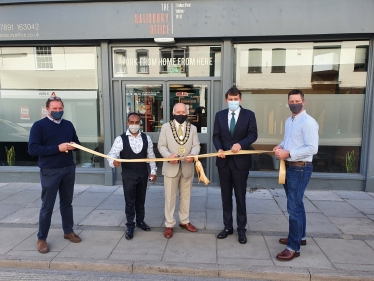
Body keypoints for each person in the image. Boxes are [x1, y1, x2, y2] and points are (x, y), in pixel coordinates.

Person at [28, 95, 81, 254]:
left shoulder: (68, 125)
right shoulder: (39, 126)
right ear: (47, 109)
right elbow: (33, 149)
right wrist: (57, 148)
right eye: (55, 109)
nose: (58, 111)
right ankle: (42, 238)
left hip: (68, 168)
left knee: (67, 203)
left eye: (60, 108)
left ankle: (68, 231)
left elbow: (77, 143)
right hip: (50, 170)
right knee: (47, 206)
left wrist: (73, 146)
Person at [273, 89, 319, 261]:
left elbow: (312, 148)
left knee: (294, 208)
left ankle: (293, 247)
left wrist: (289, 153)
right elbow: (288, 140)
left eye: (296, 101)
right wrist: (280, 146)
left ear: (303, 102)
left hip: (300, 168)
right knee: (297, 205)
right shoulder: (290, 120)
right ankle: (300, 236)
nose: (294, 104)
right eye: (291, 101)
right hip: (290, 167)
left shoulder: (308, 122)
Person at [212, 86, 258, 244]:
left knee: (240, 196)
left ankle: (241, 229)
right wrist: (218, 148)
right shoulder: (219, 115)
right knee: (225, 196)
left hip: (241, 163)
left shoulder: (249, 115)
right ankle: (227, 227)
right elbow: (216, 136)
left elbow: (253, 134)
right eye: (230, 100)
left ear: (240, 99)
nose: (233, 102)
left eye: (235, 99)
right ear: (226, 100)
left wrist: (241, 144)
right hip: (223, 162)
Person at [107, 112, 157, 240]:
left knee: (141, 200)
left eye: (137, 123)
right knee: (130, 202)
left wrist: (153, 171)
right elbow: (111, 155)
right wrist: (114, 162)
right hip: (129, 175)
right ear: (127, 123)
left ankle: (140, 221)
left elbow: (151, 156)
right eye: (132, 122)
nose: (134, 125)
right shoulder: (120, 139)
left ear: (140, 123)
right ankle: (130, 225)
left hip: (142, 174)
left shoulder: (147, 138)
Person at [158, 103, 200, 239]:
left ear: (187, 113)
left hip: (187, 168)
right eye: (178, 112)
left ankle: (184, 221)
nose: (181, 114)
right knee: (169, 197)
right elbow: (161, 145)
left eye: (183, 112)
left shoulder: (192, 128)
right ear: (173, 112)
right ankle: (169, 224)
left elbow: (196, 145)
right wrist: (168, 156)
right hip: (171, 167)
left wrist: (193, 155)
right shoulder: (165, 127)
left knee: (186, 196)